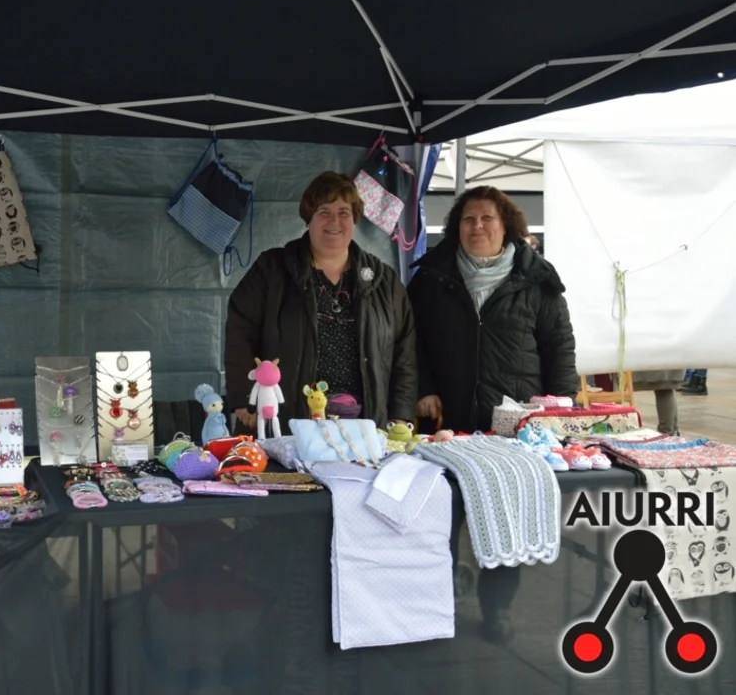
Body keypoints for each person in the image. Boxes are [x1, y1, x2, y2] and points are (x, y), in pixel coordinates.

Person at [408, 186, 577, 644]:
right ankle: (436, 603)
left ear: (507, 226)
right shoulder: (431, 277)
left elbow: (559, 348)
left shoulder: (538, 280)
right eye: (468, 219)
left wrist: (558, 408)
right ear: (456, 227)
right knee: (439, 515)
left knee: (506, 512)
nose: (477, 226)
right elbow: (408, 341)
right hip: (446, 419)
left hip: (514, 421)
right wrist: (422, 388)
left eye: (487, 218)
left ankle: (497, 608)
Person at [224, 171, 417, 433]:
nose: (334, 221)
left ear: (355, 219)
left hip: (364, 425)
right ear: (309, 218)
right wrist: (245, 398)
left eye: (344, 212)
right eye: (324, 212)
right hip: (287, 422)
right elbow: (240, 335)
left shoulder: (383, 279)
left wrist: (401, 414)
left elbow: (404, 352)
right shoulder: (272, 270)